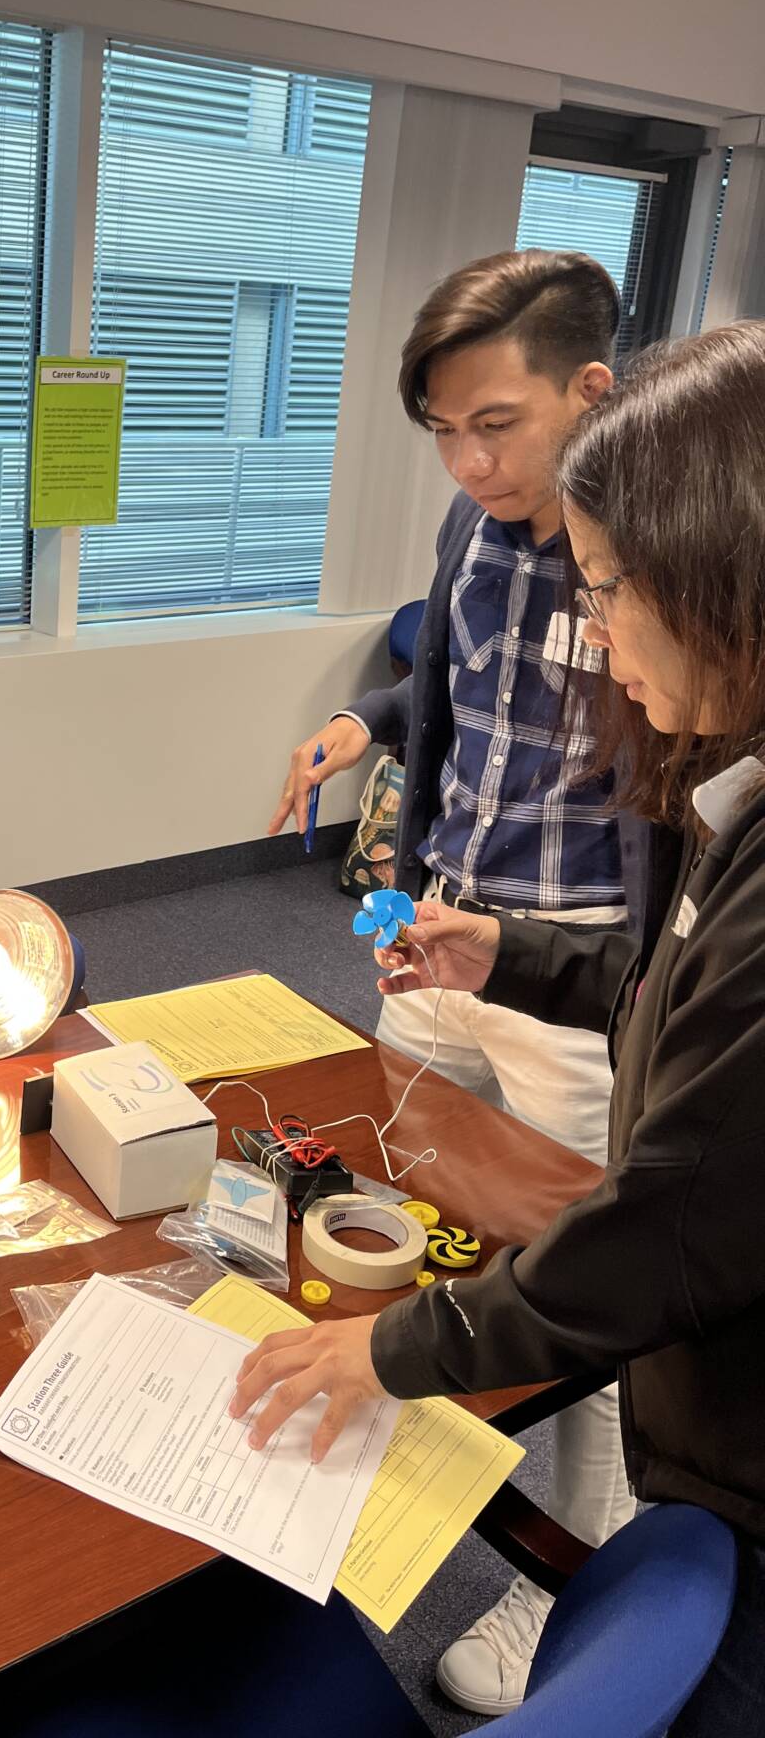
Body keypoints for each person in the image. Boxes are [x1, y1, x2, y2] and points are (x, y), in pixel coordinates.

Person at [235, 320, 765, 1732]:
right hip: (497, 942)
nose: (598, 634)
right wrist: (506, 950)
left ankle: (574, 1573)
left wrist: (393, 1352)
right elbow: (674, 985)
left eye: (610, 592)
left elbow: (660, 1234)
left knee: (565, 1266)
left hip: (737, 1467)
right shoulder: (734, 792)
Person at [268, 250, 635, 1712]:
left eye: (496, 423)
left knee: (588, 1303)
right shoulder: (475, 526)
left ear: (589, 393)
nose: (467, 460)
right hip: (437, 935)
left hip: (580, 984)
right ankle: (412, 1479)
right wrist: (368, 723)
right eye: (442, 430)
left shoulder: (655, 548)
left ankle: (571, 1585)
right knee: (412, 1219)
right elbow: (466, 689)